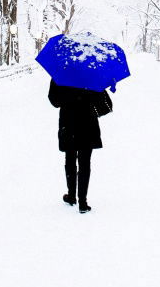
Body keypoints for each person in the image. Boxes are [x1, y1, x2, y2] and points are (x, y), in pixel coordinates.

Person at [48, 78, 112, 213]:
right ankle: (83, 201)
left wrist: (67, 96)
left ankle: (71, 195)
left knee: (70, 160)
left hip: (68, 124)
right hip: (87, 125)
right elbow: (102, 102)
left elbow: (54, 100)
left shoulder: (61, 74)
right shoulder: (91, 75)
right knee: (85, 163)